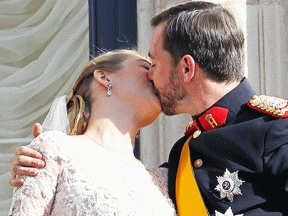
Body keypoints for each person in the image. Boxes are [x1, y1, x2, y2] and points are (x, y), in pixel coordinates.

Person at [10, 1, 288, 215]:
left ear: (187, 68)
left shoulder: (275, 129)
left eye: (153, 63)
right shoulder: (181, 157)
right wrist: (38, 164)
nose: (151, 76)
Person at [8, 49, 176, 215]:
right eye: (146, 67)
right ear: (104, 77)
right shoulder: (56, 151)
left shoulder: (165, 179)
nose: (155, 75)